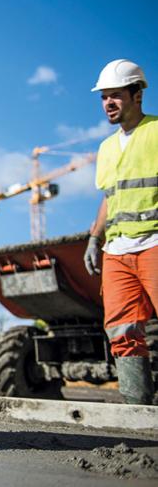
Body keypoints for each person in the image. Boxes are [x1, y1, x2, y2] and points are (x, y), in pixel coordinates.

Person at [83, 59, 157, 405]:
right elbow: (109, 198)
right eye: (104, 97)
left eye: (116, 96)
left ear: (137, 94)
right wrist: (95, 238)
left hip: (155, 243)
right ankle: (138, 414)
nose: (108, 104)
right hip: (117, 250)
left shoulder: (155, 132)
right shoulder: (106, 148)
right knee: (121, 329)